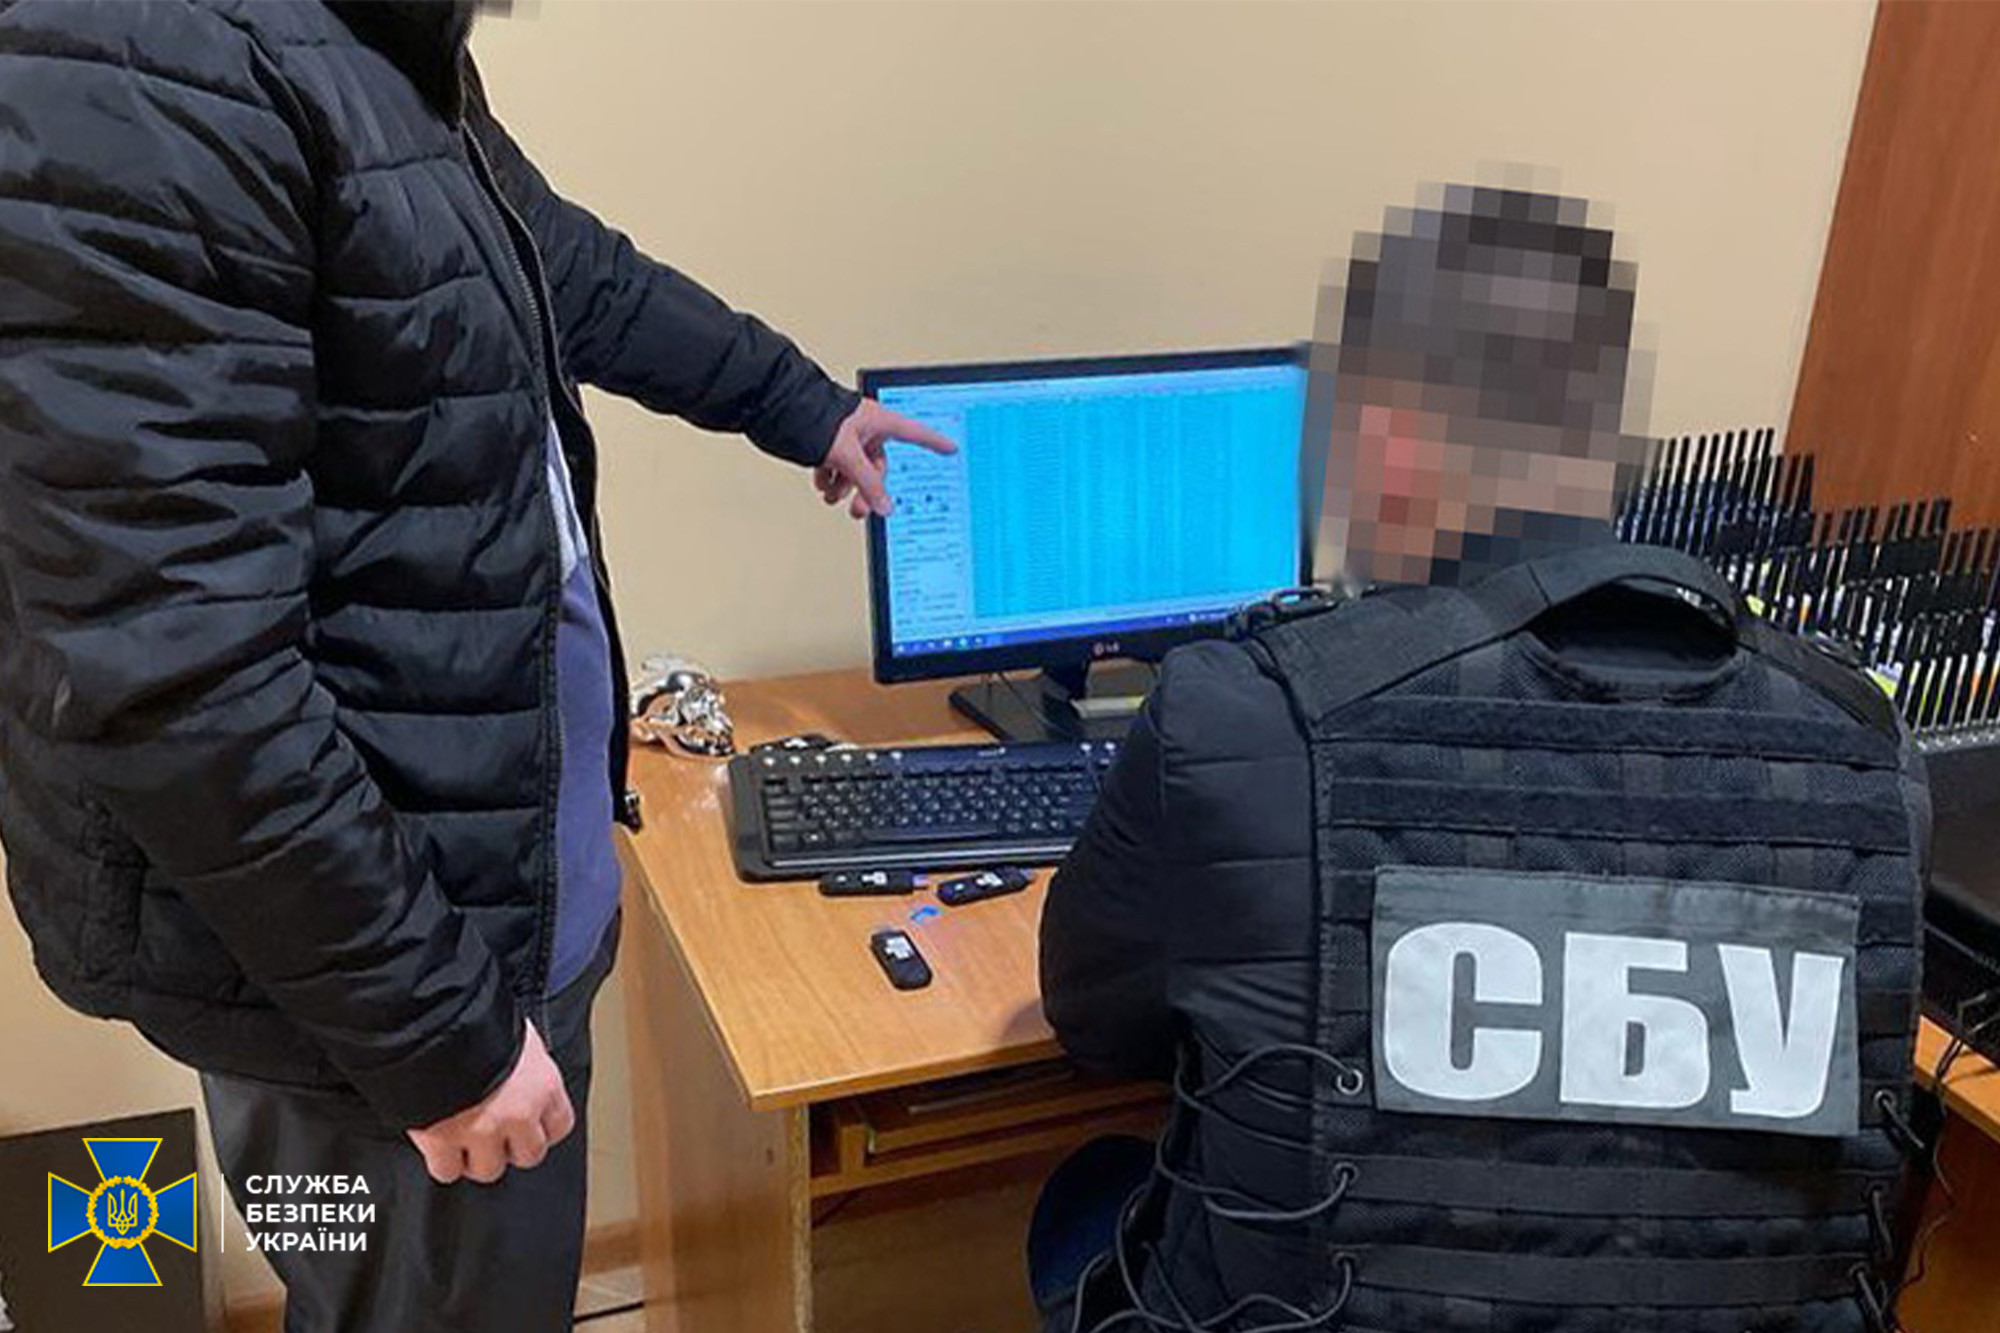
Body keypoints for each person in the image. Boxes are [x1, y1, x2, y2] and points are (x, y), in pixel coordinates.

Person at [0, 1, 948, 1329]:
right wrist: (441, 1036)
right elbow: (178, 670)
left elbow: (564, 266)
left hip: (478, 922)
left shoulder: (359, 42)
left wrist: (804, 407)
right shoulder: (144, 63)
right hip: (378, 990)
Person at [1035, 185, 1925, 1331]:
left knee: (1087, 1196)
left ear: (1386, 442)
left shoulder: (1245, 715)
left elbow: (1095, 1021)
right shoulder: (1863, 755)